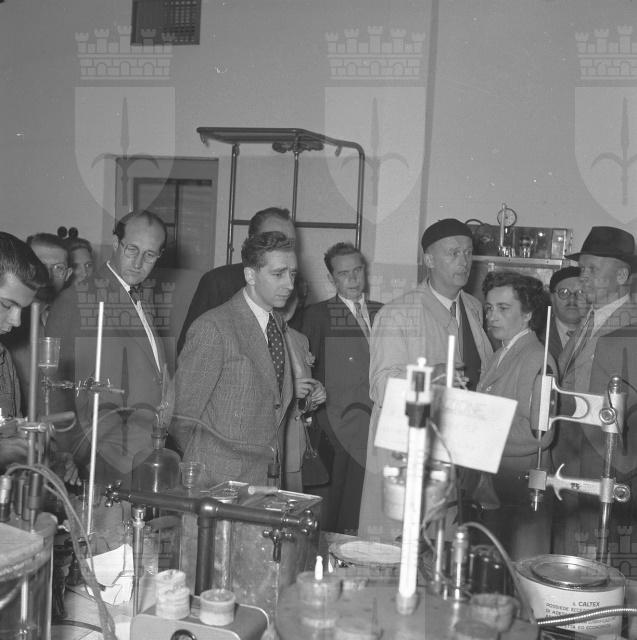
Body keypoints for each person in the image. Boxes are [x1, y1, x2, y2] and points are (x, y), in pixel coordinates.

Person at [358, 219, 493, 541]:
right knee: (404, 545)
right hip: (409, 452)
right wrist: (432, 376)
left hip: (459, 450)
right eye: (453, 253)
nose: (463, 261)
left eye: (468, 253)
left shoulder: (473, 308)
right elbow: (381, 386)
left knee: (448, 544)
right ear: (429, 259)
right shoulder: (398, 313)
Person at [47, 211, 170, 485]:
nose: (138, 263)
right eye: (132, 249)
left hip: (144, 451)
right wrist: (73, 458)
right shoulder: (77, 299)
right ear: (115, 243)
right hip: (103, 459)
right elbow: (56, 386)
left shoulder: (143, 295)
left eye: (149, 255)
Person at [172, 231, 297, 486]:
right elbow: (182, 418)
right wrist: (208, 466)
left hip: (265, 481)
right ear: (250, 275)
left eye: (292, 274)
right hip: (216, 484)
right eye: (278, 274)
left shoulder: (276, 325)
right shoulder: (214, 328)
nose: (290, 285)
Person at [553, 226, 637, 558]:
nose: (583, 277)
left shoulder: (631, 325)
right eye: (582, 268)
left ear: (622, 275)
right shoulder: (590, 319)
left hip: (608, 461)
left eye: (592, 269)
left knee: (596, 556)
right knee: (571, 552)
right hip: (571, 456)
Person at [301, 242, 382, 533]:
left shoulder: (383, 313)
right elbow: (306, 371)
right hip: (336, 427)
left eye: (357, 271)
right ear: (331, 278)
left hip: (376, 423)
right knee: (337, 508)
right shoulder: (318, 315)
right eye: (343, 273)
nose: (353, 279)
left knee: (368, 507)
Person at [477, 270, 556, 560]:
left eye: (503, 308)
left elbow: (539, 434)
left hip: (523, 491)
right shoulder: (501, 354)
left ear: (527, 314)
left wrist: (475, 438)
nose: (492, 316)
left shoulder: (536, 357)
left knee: (519, 575)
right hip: (497, 487)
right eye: (489, 308)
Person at [0, 232, 78, 485]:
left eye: (21, 309)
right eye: (6, 305)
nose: (16, 321)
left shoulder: (3, 359)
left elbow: (9, 435)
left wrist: (49, 458)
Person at [177, 207, 296, 354]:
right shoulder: (219, 282)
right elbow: (189, 348)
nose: (282, 249)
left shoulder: (295, 289)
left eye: (290, 243)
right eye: (273, 241)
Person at [545, 266, 587, 361]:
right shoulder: (538, 334)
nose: (572, 299)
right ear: (552, 298)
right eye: (563, 292)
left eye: (581, 292)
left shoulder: (602, 335)